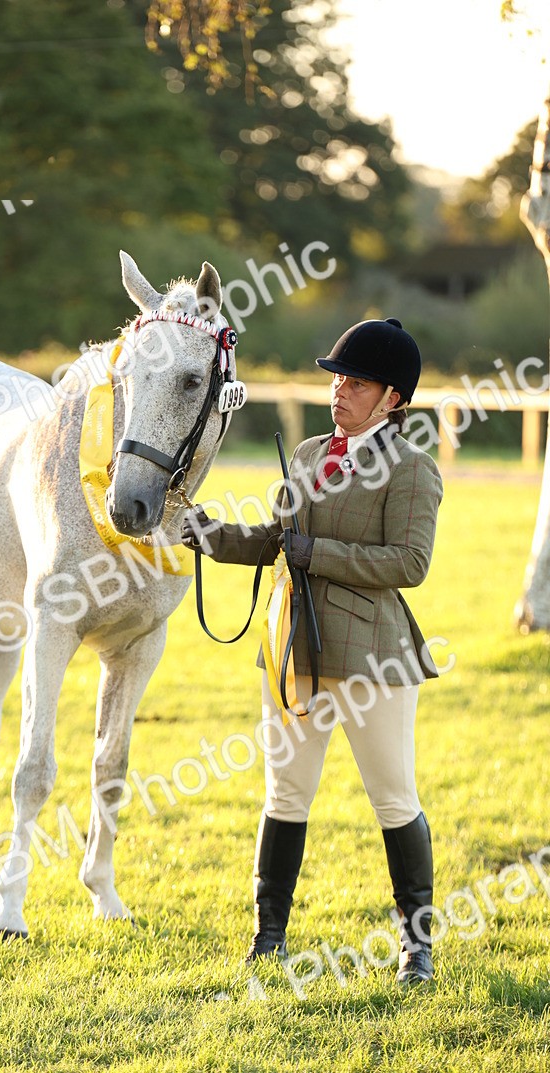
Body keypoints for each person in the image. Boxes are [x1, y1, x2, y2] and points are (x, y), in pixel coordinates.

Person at [181, 318, 443, 986]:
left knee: (392, 797)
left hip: (370, 658)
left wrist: (316, 554)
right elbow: (278, 539)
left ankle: (417, 947)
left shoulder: (413, 467)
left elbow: (410, 563)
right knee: (286, 792)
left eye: (356, 382)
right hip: (293, 645)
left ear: (393, 398)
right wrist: (212, 536)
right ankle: (269, 937)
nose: (340, 391)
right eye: (337, 379)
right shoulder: (305, 456)